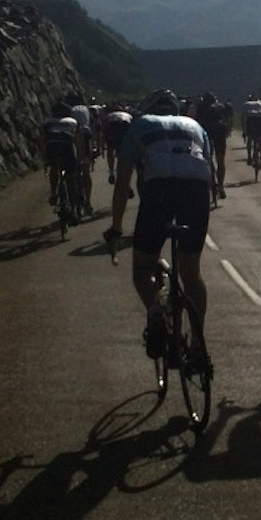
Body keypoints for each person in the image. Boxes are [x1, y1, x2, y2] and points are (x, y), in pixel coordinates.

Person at [104, 89, 214, 364]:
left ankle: (155, 313)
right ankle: (199, 343)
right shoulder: (196, 127)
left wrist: (116, 228)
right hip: (197, 191)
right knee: (192, 272)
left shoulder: (139, 126)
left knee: (142, 269)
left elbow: (122, 185)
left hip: (160, 191)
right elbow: (208, 167)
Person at [39, 100, 83, 214]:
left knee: (54, 167)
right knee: (71, 177)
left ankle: (54, 194)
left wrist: (44, 157)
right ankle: (73, 205)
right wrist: (79, 157)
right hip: (67, 147)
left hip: (52, 146)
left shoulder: (46, 122)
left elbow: (41, 140)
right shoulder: (73, 122)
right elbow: (78, 141)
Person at [195, 91, 233, 198]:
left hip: (207, 134)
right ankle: (221, 186)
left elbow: (197, 124)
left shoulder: (201, 108)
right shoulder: (220, 107)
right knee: (221, 161)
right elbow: (227, 119)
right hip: (220, 134)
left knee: (207, 159)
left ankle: (208, 182)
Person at [65, 92, 95, 215]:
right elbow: (92, 124)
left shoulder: (68, 110)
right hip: (86, 136)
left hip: (71, 138)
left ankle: (71, 201)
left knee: (70, 171)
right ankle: (88, 201)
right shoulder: (86, 109)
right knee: (86, 171)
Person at [101, 102, 133, 185]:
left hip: (112, 132)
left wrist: (104, 140)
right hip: (124, 132)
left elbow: (105, 128)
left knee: (110, 151)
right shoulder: (128, 115)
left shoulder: (109, 115)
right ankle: (122, 173)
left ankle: (111, 172)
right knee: (122, 154)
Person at [241, 93, 261, 169]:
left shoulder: (246, 104)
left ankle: (249, 158)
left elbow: (243, 119)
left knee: (250, 138)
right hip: (260, 119)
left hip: (250, 120)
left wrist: (244, 131)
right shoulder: (260, 103)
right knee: (260, 140)